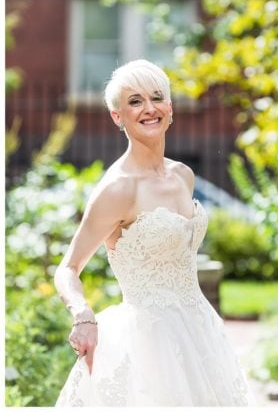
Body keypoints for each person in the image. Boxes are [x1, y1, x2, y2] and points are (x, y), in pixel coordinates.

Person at [54, 60, 249, 406]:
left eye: (156, 98)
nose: (149, 109)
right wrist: (83, 314)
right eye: (134, 101)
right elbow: (67, 268)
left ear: (170, 108)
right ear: (118, 117)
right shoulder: (117, 189)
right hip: (148, 341)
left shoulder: (184, 176)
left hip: (199, 329)